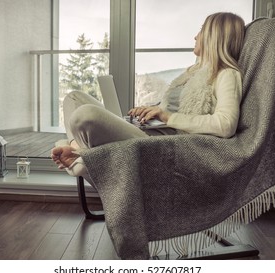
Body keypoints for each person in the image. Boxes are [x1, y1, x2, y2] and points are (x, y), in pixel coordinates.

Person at [51, 12, 245, 181]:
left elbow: (226, 125)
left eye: (201, 31)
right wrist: (150, 111)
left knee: (85, 115)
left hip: (162, 146)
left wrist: (167, 117)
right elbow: (173, 109)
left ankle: (79, 156)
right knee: (73, 99)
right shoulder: (191, 74)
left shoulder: (226, 73)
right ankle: (79, 152)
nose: (195, 36)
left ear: (214, 36)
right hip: (149, 132)